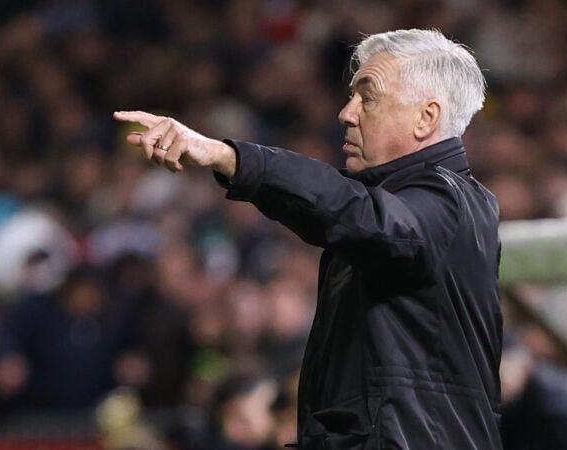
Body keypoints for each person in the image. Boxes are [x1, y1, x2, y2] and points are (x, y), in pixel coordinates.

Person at [114, 28, 502, 449]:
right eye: (352, 97)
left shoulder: (450, 202)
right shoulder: (392, 206)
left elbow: (356, 212)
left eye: (368, 98)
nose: (346, 113)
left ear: (426, 117)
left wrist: (228, 157)